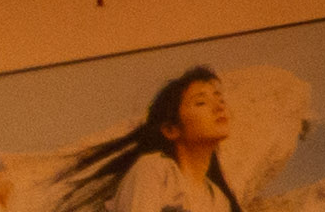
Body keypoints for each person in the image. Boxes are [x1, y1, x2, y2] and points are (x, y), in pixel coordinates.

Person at [50, 67, 251, 212]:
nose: (219, 106)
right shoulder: (154, 171)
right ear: (171, 130)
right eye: (201, 102)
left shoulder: (217, 200)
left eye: (220, 99)